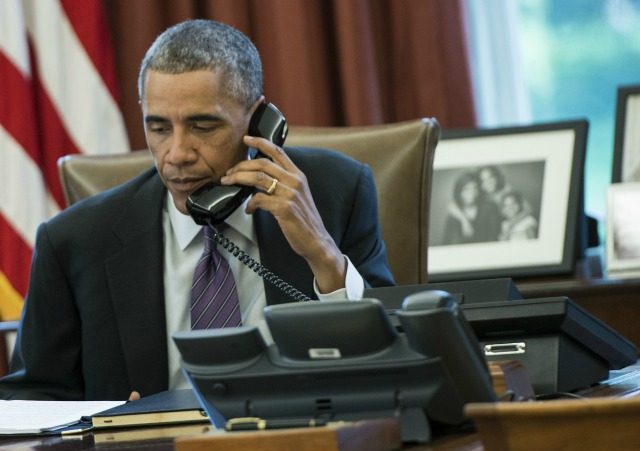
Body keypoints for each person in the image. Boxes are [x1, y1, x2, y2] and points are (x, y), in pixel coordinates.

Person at [0, 19, 394, 400]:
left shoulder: (336, 192)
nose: (177, 154)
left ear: (258, 120)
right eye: (158, 128)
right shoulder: (75, 240)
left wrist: (323, 257)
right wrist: (106, 426)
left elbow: (395, 360)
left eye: (203, 126)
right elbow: (31, 398)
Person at [442, 171, 501, 245]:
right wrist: (464, 220)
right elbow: (448, 244)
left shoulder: (490, 208)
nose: (472, 192)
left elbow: (494, 238)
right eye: (466, 189)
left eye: (475, 188)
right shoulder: (454, 216)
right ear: (459, 192)